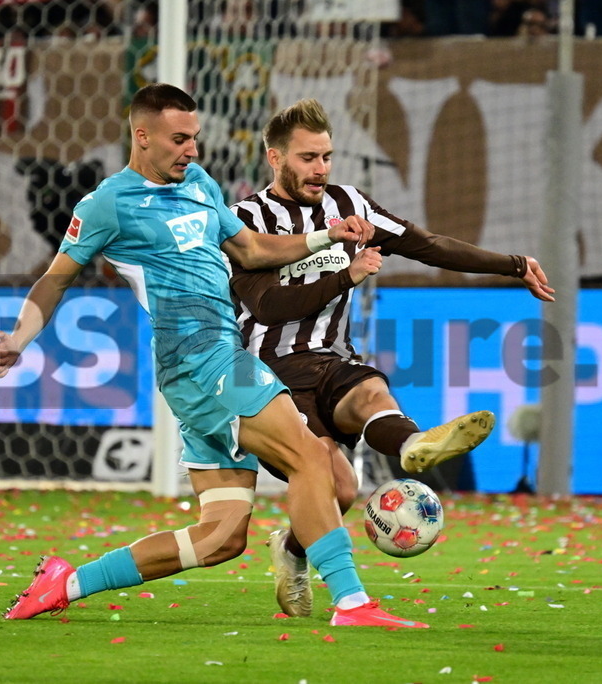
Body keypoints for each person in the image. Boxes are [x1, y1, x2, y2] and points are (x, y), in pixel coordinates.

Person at [0, 83, 464, 628]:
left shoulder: (200, 184)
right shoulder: (107, 205)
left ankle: (66, 582)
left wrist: (326, 236)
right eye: (179, 139)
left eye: (195, 138)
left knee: (220, 539)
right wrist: (17, 340)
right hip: (201, 359)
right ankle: (353, 604)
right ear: (142, 137)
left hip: (213, 361)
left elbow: (251, 249)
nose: (192, 150)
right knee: (312, 458)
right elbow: (56, 279)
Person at [226, 99, 555, 617]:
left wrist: (514, 264)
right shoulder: (245, 222)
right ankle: (293, 550)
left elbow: (427, 244)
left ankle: (412, 445)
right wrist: (347, 275)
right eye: (309, 157)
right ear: (275, 157)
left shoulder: (349, 203)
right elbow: (267, 307)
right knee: (340, 489)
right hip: (268, 378)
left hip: (331, 361)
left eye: (328, 157)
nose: (321, 169)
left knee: (371, 391)